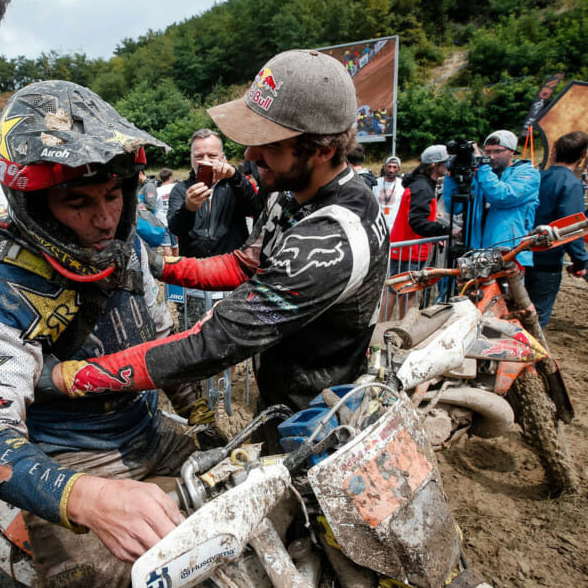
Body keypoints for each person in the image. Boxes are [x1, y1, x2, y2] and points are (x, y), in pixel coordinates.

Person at [0, 80, 193, 588]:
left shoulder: (125, 248)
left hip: (149, 432)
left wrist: (204, 420)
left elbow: (163, 344)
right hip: (66, 458)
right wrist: (89, 498)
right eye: (78, 201)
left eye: (114, 195)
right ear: (36, 204)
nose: (105, 217)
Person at [53, 48, 389, 416]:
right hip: (283, 396)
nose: (250, 154)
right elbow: (243, 265)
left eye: (270, 145)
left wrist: (77, 377)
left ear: (323, 150)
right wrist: (154, 263)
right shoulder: (293, 193)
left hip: (320, 417)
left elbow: (211, 344)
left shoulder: (332, 237)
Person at [444, 129, 540, 268]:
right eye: (487, 152)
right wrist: (452, 175)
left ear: (512, 151)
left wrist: (481, 166)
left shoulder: (528, 174)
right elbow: (455, 207)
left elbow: (502, 196)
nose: (491, 156)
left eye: (497, 151)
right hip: (476, 254)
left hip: (509, 255)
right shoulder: (481, 175)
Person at [525, 131, 588, 327]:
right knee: (536, 317)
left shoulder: (537, 177)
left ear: (554, 150)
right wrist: (580, 261)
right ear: (583, 156)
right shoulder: (570, 184)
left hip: (520, 253)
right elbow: (570, 225)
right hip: (546, 259)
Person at [166, 128, 262, 258]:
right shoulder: (181, 189)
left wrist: (234, 176)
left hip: (231, 265)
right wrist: (188, 208)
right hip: (195, 267)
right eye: (199, 156)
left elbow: (253, 208)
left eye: (212, 156)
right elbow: (175, 228)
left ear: (223, 157)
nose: (206, 161)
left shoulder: (234, 185)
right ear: (191, 159)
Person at [383, 145, 452, 321]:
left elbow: (416, 216)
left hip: (408, 248)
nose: (448, 166)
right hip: (410, 250)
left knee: (399, 291)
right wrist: (443, 231)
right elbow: (417, 222)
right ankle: (397, 331)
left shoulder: (420, 183)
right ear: (435, 165)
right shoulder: (422, 187)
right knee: (405, 293)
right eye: (446, 162)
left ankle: (388, 330)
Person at [373, 155, 404, 231]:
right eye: (389, 166)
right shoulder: (375, 183)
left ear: (399, 169)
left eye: (394, 167)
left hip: (396, 227)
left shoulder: (403, 185)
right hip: (378, 227)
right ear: (385, 167)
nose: (391, 170)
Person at [153, 168, 178, 256]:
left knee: (166, 246)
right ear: (170, 177)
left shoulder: (157, 190)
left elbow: (154, 205)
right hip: (174, 219)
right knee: (175, 245)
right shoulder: (175, 187)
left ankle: (170, 265)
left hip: (161, 220)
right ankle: (177, 263)